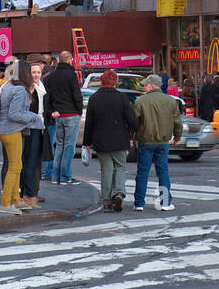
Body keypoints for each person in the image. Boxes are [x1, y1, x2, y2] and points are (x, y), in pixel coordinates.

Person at [84, 70, 140, 212]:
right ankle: (119, 193)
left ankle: (107, 202)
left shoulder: (94, 98)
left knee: (106, 170)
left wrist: (86, 144)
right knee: (120, 167)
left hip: (101, 140)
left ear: (102, 81)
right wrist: (135, 131)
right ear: (115, 82)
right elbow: (132, 121)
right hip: (119, 139)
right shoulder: (121, 98)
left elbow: (89, 123)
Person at [0, 61, 45, 215]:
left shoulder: (8, 86)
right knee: (15, 167)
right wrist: (34, 117)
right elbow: (14, 114)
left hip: (5, 130)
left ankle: (15, 200)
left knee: (15, 166)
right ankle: (6, 203)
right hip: (12, 130)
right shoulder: (20, 90)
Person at [132, 74, 183, 212]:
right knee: (163, 172)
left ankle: (139, 203)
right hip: (163, 141)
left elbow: (134, 123)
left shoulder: (140, 101)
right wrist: (177, 136)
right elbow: (177, 121)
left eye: (146, 85)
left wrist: (132, 137)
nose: (144, 87)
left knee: (142, 172)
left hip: (145, 141)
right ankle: (165, 203)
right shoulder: (171, 101)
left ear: (152, 85)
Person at [46, 51, 85, 186]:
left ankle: (55, 177)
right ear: (70, 60)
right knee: (69, 147)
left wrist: (52, 111)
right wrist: (79, 110)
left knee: (60, 146)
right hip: (71, 114)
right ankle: (65, 177)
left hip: (58, 114)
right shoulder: (71, 75)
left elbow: (48, 96)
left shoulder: (52, 75)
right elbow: (76, 95)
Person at [20, 61, 51, 209]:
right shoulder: (29, 89)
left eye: (38, 72)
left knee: (35, 161)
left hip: (40, 127)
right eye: (33, 72)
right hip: (30, 128)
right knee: (30, 162)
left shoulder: (41, 87)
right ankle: (28, 194)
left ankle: (30, 193)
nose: (36, 75)